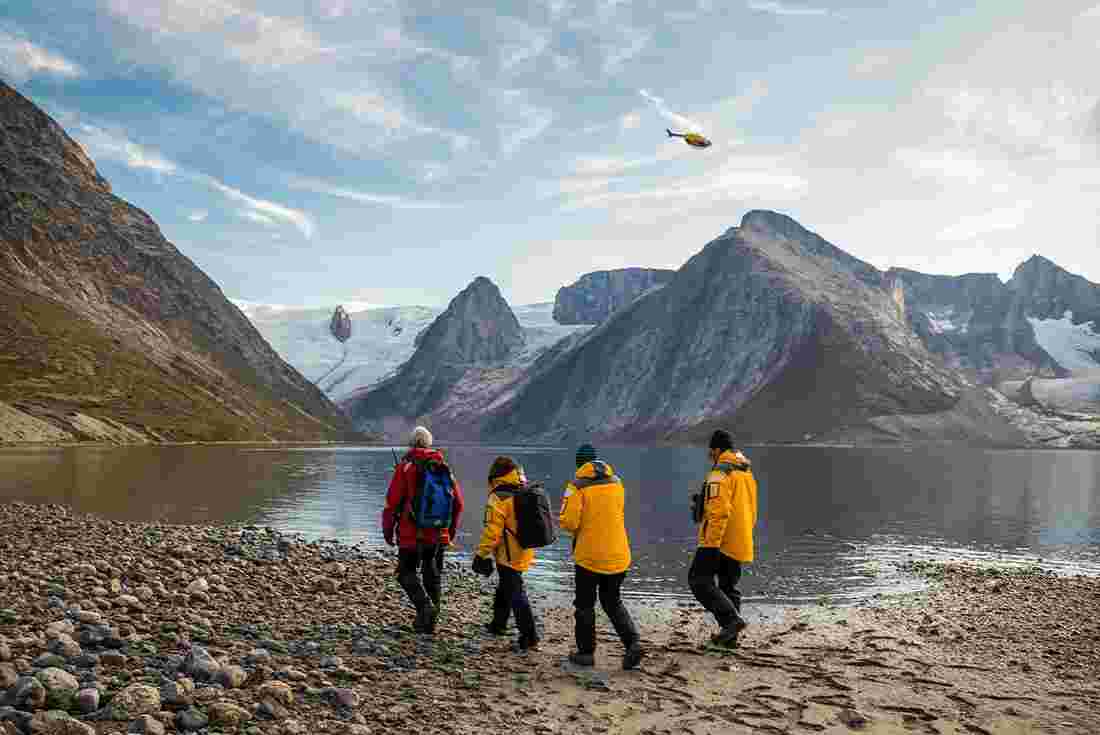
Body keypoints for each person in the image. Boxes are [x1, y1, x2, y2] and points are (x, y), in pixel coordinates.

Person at [559, 443, 644, 670]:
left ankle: (586, 653)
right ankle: (632, 642)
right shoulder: (617, 483)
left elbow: (569, 522)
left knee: (585, 604)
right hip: (618, 553)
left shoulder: (576, 487)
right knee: (612, 601)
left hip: (589, 556)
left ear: (579, 464)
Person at [382, 426, 465, 634]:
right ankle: (430, 622)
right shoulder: (442, 466)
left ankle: (424, 608)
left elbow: (392, 503)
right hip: (438, 532)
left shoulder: (406, 467)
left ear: (411, 443)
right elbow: (459, 503)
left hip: (411, 533)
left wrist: (388, 531)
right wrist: (450, 532)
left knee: (405, 573)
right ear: (429, 443)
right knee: (432, 571)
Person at [688, 429, 758, 648]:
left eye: (711, 451)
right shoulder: (746, 473)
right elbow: (750, 508)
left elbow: (719, 512)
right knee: (728, 586)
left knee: (698, 580)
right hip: (740, 537)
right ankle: (730, 639)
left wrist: (710, 545)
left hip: (720, 539)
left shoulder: (720, 473)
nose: (710, 455)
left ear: (717, 450)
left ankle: (731, 620)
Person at [471, 456, 540, 652]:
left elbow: (492, 531)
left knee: (516, 592)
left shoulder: (498, 497)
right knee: (505, 587)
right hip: (525, 549)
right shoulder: (522, 490)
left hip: (508, 553)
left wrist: (481, 554)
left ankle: (530, 635)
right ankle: (498, 624)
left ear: (495, 476)